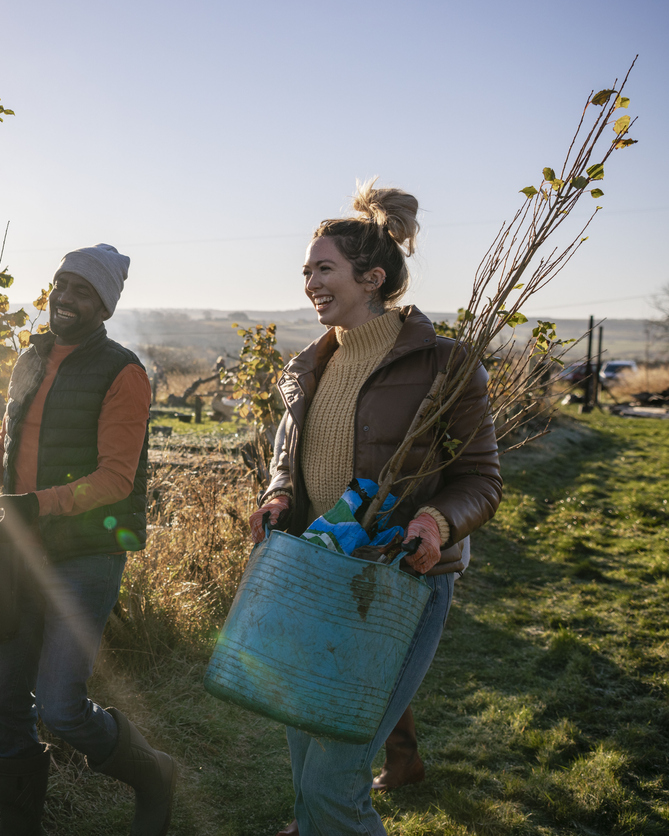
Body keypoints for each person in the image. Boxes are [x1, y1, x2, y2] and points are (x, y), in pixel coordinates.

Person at [247, 183, 501, 836]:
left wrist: (432, 523)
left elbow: (479, 479)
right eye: (306, 270)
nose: (309, 282)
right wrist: (276, 495)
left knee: (333, 785)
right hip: (314, 578)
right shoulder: (307, 368)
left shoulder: (445, 366)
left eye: (322, 268)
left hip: (396, 586)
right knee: (305, 766)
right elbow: (287, 459)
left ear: (372, 277)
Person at [0, 244, 176, 836]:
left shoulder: (122, 372)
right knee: (3, 694)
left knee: (61, 706)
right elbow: (6, 454)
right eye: (61, 284)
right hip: (21, 553)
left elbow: (115, 479)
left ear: (104, 305)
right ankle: (19, 826)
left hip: (87, 555)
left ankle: (154, 774)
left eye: (83, 291)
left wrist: (36, 505)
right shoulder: (29, 361)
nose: (66, 298)